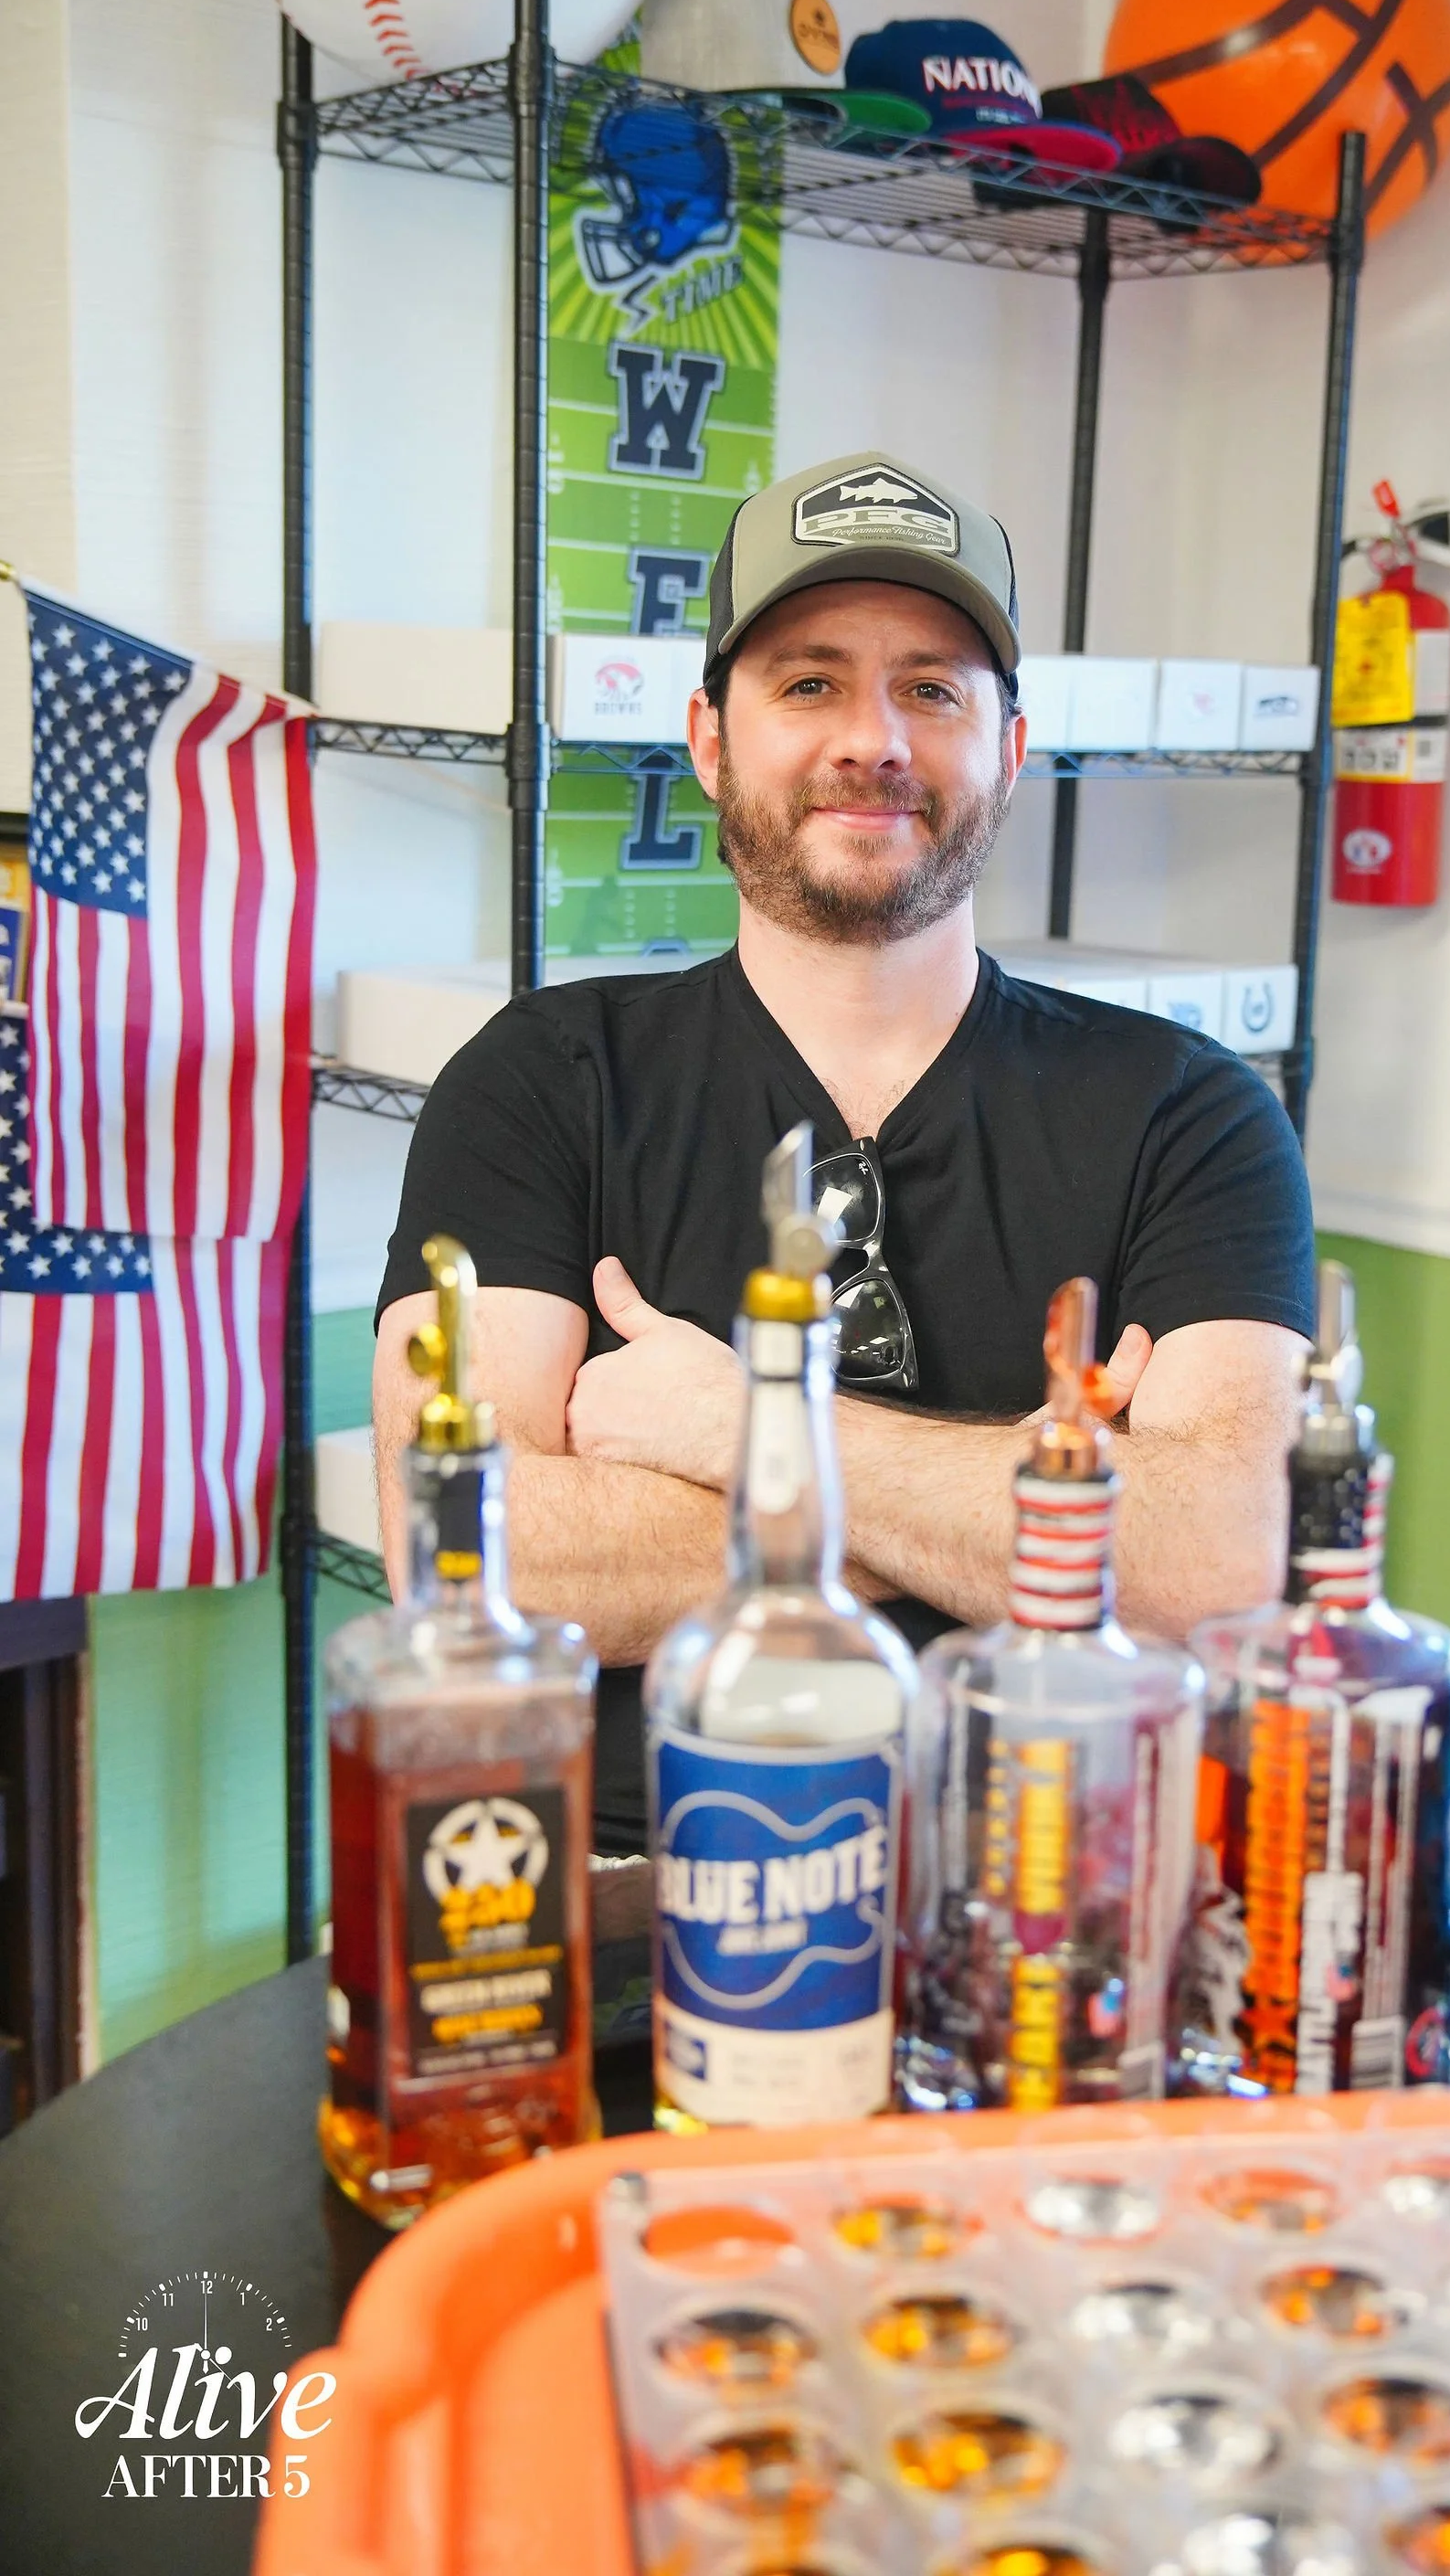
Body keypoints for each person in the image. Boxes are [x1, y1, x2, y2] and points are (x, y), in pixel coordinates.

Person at [374, 450, 1315, 1855]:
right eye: (809, 682)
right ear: (709, 737)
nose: (872, 739)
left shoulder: (1186, 1112)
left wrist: (745, 1434)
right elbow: (470, 1556)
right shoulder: (543, 1083)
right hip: (633, 1890)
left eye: (931, 688)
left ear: (1007, 743)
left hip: (1057, 1897)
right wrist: (1026, 1511)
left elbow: (1215, 1567)